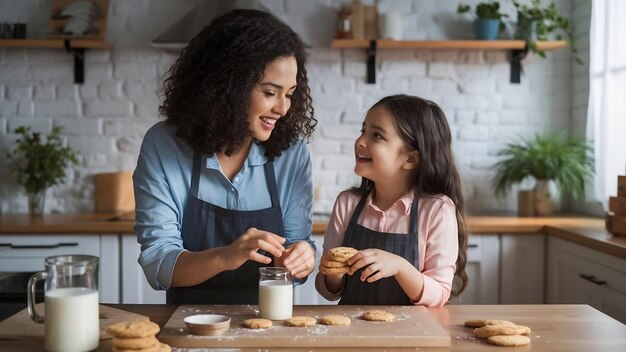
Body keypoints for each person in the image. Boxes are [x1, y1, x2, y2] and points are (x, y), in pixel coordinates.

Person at [133, 9, 317, 304]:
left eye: (291, 93)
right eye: (270, 92)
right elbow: (158, 262)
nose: (283, 109)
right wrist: (226, 255)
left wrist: (302, 258)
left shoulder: (292, 152)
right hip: (188, 325)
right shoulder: (163, 145)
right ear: (228, 87)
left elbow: (297, 245)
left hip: (270, 325)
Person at [315, 94, 468, 306]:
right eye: (363, 131)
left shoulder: (437, 210)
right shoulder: (347, 204)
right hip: (353, 334)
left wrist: (399, 266)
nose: (360, 141)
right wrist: (334, 273)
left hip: (412, 335)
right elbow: (328, 290)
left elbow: (440, 294)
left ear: (411, 158)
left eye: (376, 135)